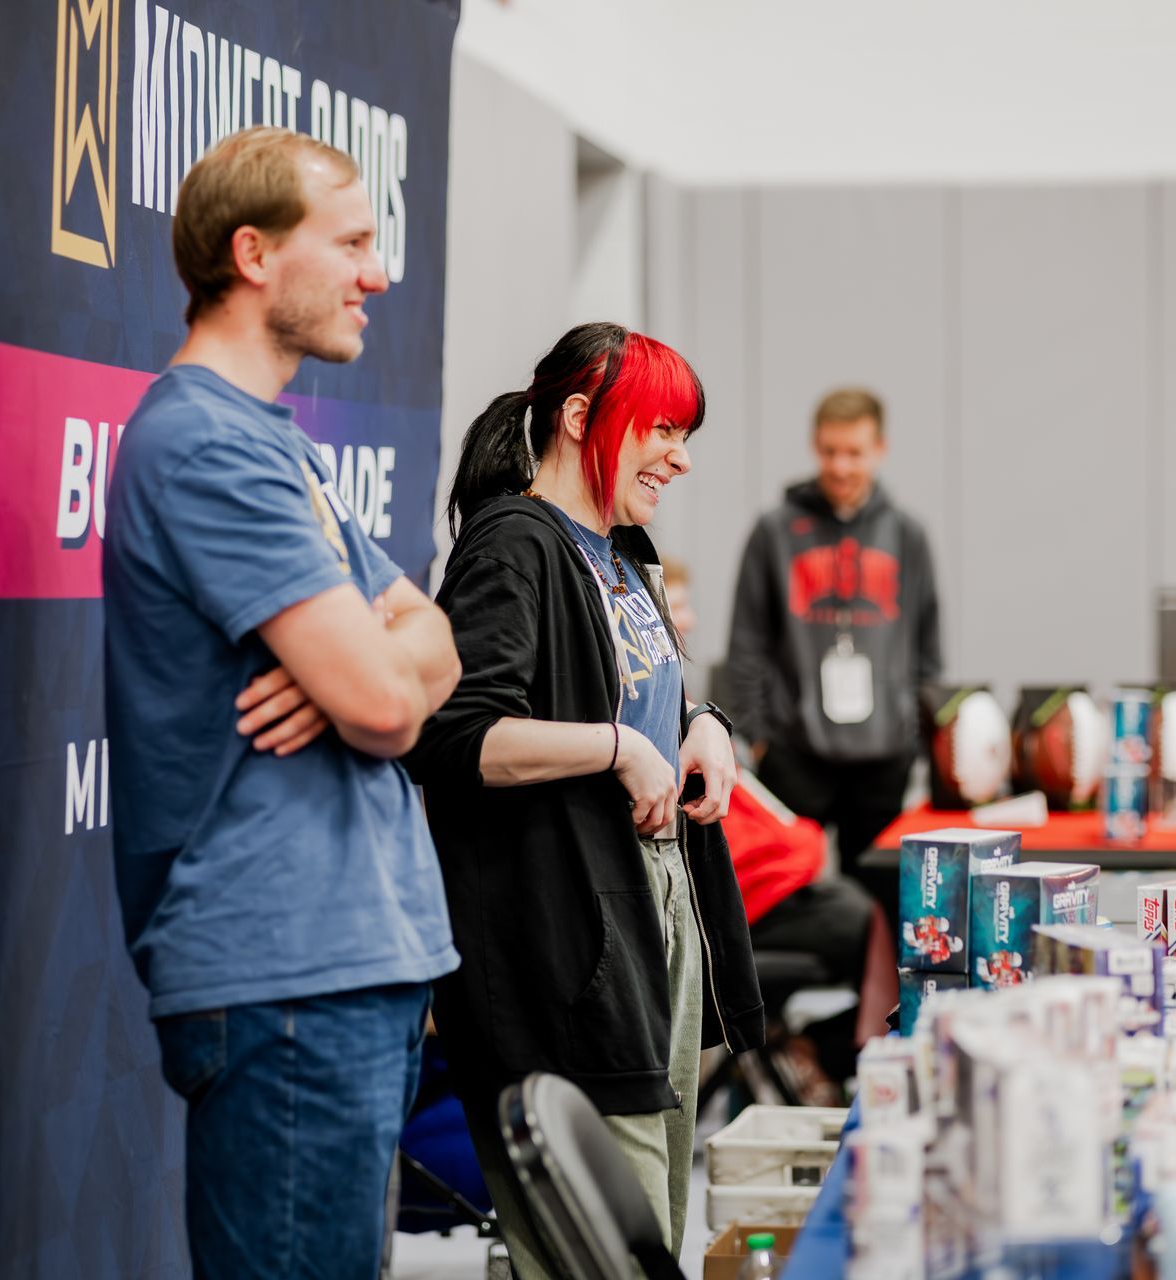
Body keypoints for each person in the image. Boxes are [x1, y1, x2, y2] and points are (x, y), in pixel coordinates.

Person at [102, 126, 463, 1277]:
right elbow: (390, 707)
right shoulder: (205, 443)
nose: (379, 272)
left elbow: (432, 639)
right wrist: (362, 670)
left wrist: (372, 661)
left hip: (341, 969)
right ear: (253, 253)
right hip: (286, 978)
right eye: (353, 242)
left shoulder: (275, 444)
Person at [403, 323, 764, 1279]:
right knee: (609, 1250)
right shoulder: (513, 547)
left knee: (653, 1235)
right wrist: (615, 751)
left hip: (649, 923)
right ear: (578, 418)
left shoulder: (620, 551)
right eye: (662, 430)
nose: (681, 459)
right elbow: (453, 738)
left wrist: (702, 726)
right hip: (565, 944)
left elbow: (645, 695)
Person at [668, 559, 891, 1098]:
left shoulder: (683, 700)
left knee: (889, 916)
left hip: (780, 884)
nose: (691, 621)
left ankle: (810, 1048)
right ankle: (819, 1051)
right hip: (751, 897)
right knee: (892, 932)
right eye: (676, 607)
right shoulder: (655, 709)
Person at [725, 388, 943, 878]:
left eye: (854, 453)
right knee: (794, 893)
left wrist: (914, 734)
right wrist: (759, 737)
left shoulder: (907, 536)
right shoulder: (774, 532)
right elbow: (746, 643)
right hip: (795, 752)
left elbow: (928, 647)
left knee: (879, 896)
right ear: (814, 447)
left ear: (879, 450)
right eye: (829, 451)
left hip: (884, 756)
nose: (840, 466)